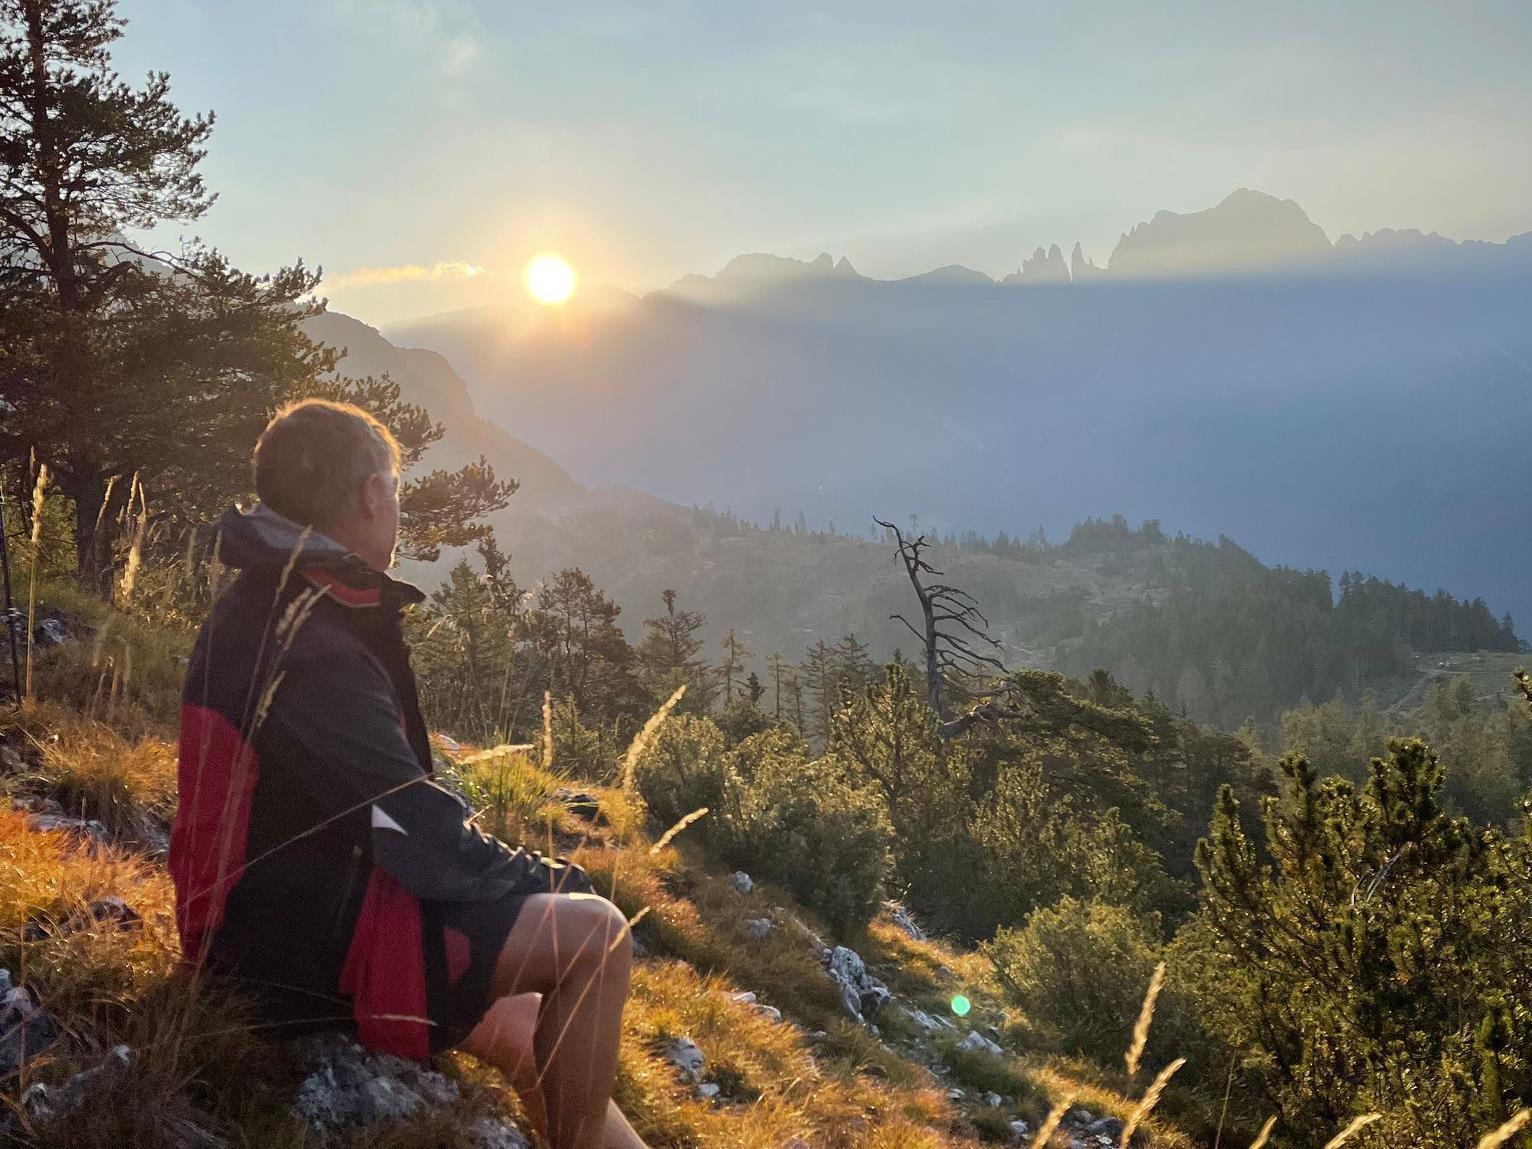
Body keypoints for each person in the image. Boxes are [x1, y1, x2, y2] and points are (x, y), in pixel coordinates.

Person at [167, 398, 646, 1149]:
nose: (396, 503)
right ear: (370, 494)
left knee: (522, 1023)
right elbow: (411, 820)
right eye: (394, 485)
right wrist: (549, 881)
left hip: (266, 909)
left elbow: (363, 805)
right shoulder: (310, 634)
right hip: (275, 950)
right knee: (599, 936)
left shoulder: (270, 599)